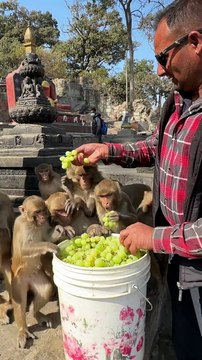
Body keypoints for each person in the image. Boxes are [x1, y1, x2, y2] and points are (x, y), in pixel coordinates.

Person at [72, 1, 202, 359]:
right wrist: (108, 151)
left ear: (195, 42)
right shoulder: (179, 102)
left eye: (164, 58)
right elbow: (155, 148)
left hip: (197, 268)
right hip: (177, 259)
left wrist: (153, 235)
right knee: (180, 338)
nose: (160, 71)